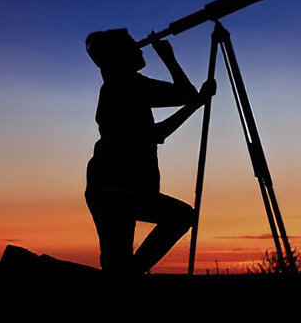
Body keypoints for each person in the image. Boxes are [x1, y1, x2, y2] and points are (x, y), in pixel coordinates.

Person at [84, 28, 215, 275]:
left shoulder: (128, 84)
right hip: (114, 188)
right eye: (132, 45)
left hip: (115, 187)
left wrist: (194, 99)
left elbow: (180, 102)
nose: (140, 48)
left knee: (117, 265)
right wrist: (169, 60)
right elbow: (167, 120)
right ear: (120, 55)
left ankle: (128, 276)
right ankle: (129, 276)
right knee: (180, 217)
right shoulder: (124, 86)